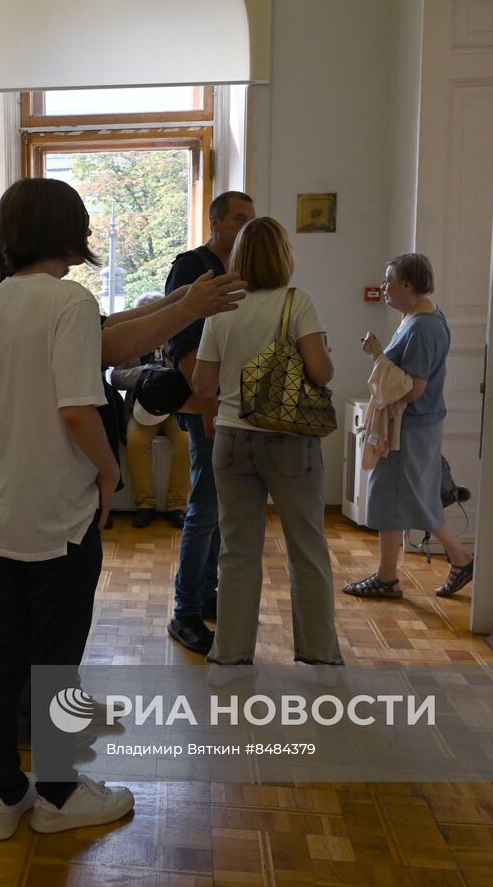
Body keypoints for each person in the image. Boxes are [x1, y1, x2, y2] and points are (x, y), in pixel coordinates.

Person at [0, 177, 133, 841]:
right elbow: (75, 407)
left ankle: (4, 795)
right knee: (57, 658)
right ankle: (61, 794)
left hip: (3, 508)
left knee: (3, 649)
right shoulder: (69, 302)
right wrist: (108, 468)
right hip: (61, 516)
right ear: (69, 233)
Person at [190, 217, 344, 670]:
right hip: (289, 440)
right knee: (307, 549)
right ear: (284, 257)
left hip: (232, 438)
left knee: (236, 550)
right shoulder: (298, 302)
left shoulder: (221, 310)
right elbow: (321, 373)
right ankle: (317, 652)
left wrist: (220, 409)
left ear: (239, 259)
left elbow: (202, 382)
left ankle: (232, 650)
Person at [344, 253, 475, 599]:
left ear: (408, 285)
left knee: (397, 497)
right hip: (417, 425)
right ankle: (452, 561)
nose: (384, 287)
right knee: (413, 497)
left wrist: (376, 355)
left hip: (410, 427)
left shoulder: (421, 327)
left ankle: (392, 577)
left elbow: (414, 389)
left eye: (390, 281)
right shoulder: (421, 319)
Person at [162, 190, 256, 654]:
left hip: (232, 406)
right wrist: (209, 404)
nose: (245, 227)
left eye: (251, 219)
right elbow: (182, 343)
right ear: (214, 221)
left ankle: (205, 593)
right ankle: (185, 612)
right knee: (203, 507)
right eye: (239, 218)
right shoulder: (192, 265)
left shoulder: (241, 275)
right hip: (206, 408)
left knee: (217, 507)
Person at [109, 291, 190, 529]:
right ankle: (144, 504)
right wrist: (145, 373)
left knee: (186, 441)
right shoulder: (131, 341)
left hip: (175, 409)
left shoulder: (178, 338)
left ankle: (176, 505)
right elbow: (115, 377)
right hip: (141, 408)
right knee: (134, 441)